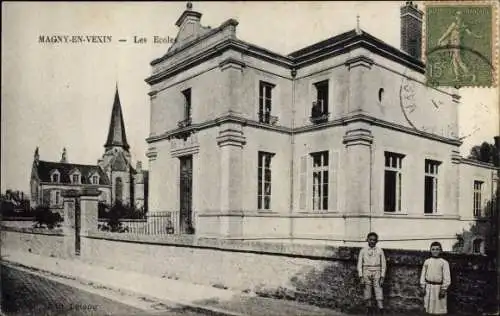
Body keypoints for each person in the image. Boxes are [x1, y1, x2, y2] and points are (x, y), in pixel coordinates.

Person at [357, 232, 387, 315]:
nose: (372, 241)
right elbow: (359, 264)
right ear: (367, 240)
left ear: (377, 241)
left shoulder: (380, 251)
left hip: (377, 271)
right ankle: (369, 311)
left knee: (379, 292)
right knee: (367, 293)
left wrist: (382, 277)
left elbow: (383, 265)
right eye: (370, 239)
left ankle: (381, 311)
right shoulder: (363, 251)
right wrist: (361, 276)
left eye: (374, 240)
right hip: (366, 271)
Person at [420, 241, 451, 315]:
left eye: (437, 249)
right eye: (433, 249)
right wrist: (423, 286)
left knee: (439, 308)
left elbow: (447, 277)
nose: (435, 251)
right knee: (429, 308)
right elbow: (423, 275)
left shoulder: (444, 262)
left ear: (440, 250)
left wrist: (444, 289)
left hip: (439, 288)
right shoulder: (427, 261)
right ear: (430, 250)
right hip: (429, 287)